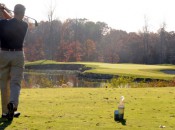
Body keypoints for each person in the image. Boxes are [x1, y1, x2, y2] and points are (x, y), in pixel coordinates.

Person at [0, 4, 28, 121]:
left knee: (4, 83)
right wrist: (4, 10)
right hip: (18, 55)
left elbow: (9, 21)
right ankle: (12, 105)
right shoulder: (24, 25)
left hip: (4, 54)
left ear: (14, 12)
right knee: (15, 83)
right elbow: (12, 20)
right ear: (23, 13)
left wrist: (2, 10)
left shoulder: (3, 23)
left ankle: (6, 112)